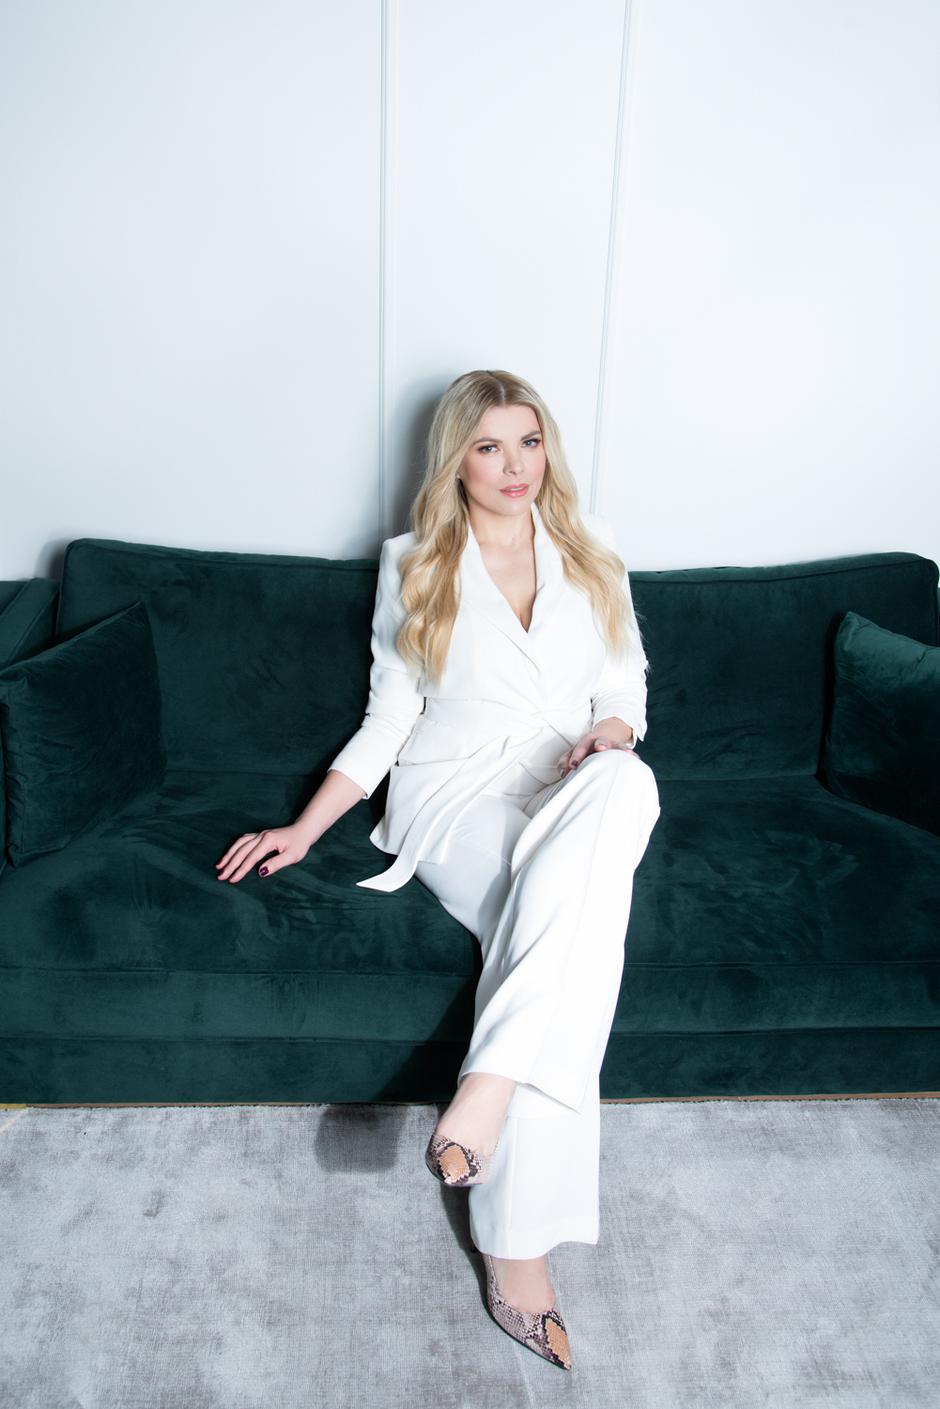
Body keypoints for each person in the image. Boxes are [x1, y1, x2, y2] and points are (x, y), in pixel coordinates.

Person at [215, 369, 661, 1371]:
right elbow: (392, 715)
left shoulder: (595, 549)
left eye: (529, 442)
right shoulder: (415, 560)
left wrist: (609, 731)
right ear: (456, 459)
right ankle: (516, 1253)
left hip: (570, 782)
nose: (513, 466)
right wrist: (307, 825)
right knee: (570, 939)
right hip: (458, 796)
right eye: (488, 446)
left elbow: (623, 682)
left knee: (628, 782)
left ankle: (488, 1084)